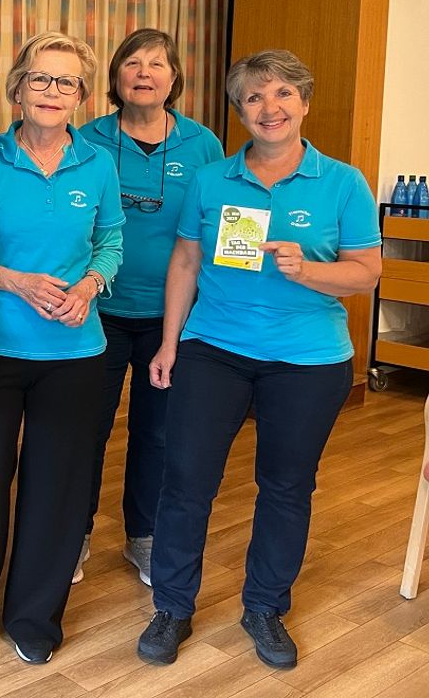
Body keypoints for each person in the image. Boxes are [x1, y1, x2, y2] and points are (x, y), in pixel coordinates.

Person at [136, 50, 381, 670]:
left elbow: (366, 275)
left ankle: (265, 606)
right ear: (240, 110)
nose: (268, 108)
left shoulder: (343, 182)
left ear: (303, 103)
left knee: (286, 486)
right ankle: (172, 606)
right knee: (186, 482)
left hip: (308, 360)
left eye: (281, 95)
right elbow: (186, 262)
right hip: (214, 349)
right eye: (252, 98)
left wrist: (309, 269)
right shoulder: (213, 180)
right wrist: (170, 343)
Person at [0, 31, 124, 666]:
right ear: (18, 89)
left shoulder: (97, 164)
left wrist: (92, 284)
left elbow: (113, 238)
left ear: (81, 97)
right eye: (40, 79)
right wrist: (14, 280)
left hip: (74, 350)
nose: (51, 91)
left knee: (57, 486)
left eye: (65, 83)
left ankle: (34, 614)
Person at [75, 29, 223, 586]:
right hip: (98, 311)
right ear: (115, 77)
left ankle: (143, 536)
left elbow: (213, 228)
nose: (143, 72)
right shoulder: (86, 140)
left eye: (156, 64)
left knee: (157, 432)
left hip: (174, 318)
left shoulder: (203, 145)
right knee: (87, 429)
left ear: (173, 78)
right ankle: (77, 535)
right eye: (132, 63)